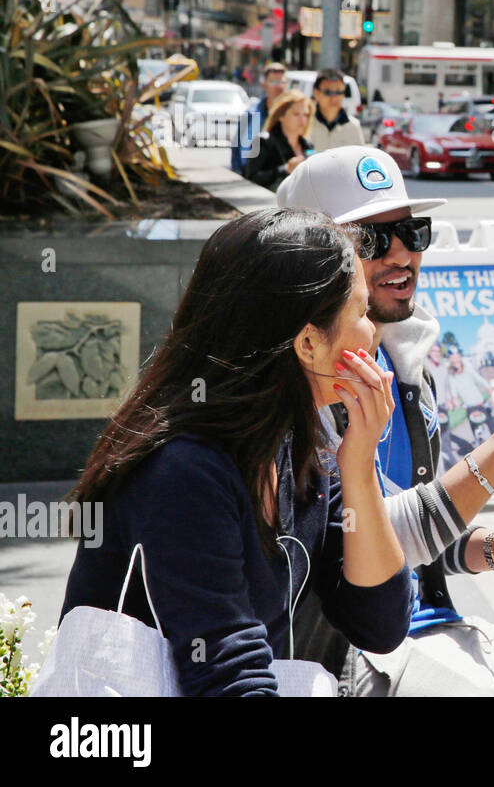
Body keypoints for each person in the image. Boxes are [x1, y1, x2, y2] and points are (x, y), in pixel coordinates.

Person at [277, 146, 494, 696]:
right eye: (373, 240)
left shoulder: (404, 357)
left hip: (440, 622)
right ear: (308, 256)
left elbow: (414, 519)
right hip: (360, 648)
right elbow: (364, 539)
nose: (402, 255)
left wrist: (489, 547)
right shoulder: (305, 382)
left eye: (413, 232)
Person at [59, 209, 414, 695]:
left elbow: (379, 623)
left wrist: (359, 467)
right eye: (361, 312)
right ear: (308, 342)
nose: (372, 332)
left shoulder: (296, 446)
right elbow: (227, 674)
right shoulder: (183, 470)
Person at [244, 90, 314, 191]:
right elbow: (250, 178)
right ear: (281, 116)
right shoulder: (263, 141)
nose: (302, 120)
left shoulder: (307, 145)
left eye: (306, 115)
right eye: (296, 114)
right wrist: (285, 169)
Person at [232, 61, 287, 174]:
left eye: (281, 81)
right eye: (273, 81)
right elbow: (237, 150)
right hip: (253, 177)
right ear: (264, 84)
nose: (278, 86)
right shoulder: (251, 114)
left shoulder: (295, 114)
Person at [308, 68, 366, 152]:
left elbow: (359, 160)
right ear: (316, 92)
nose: (334, 97)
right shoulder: (304, 124)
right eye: (328, 92)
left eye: (339, 92)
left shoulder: (353, 126)